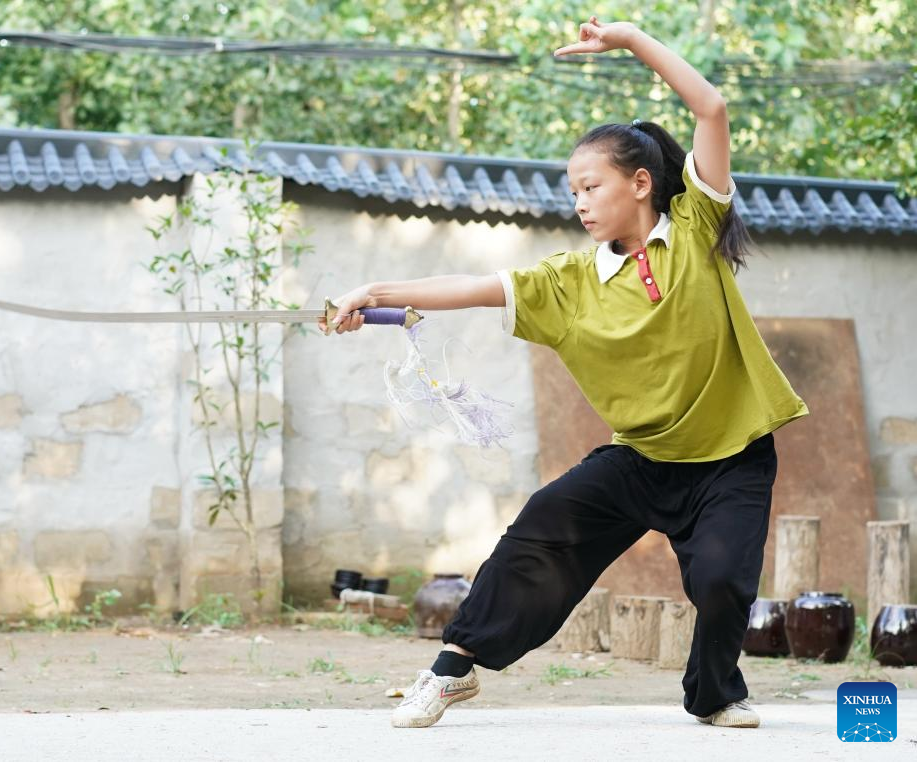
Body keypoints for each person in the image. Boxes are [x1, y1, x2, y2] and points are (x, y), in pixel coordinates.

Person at [319, 17, 808, 730]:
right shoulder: (568, 281)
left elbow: (710, 108)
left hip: (730, 457)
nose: (577, 202)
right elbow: (473, 285)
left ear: (640, 184)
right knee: (540, 532)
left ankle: (715, 694)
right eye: (570, 190)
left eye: (590, 185)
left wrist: (632, 39)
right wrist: (374, 295)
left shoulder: (695, 227)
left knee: (721, 581)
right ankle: (452, 673)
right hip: (638, 458)